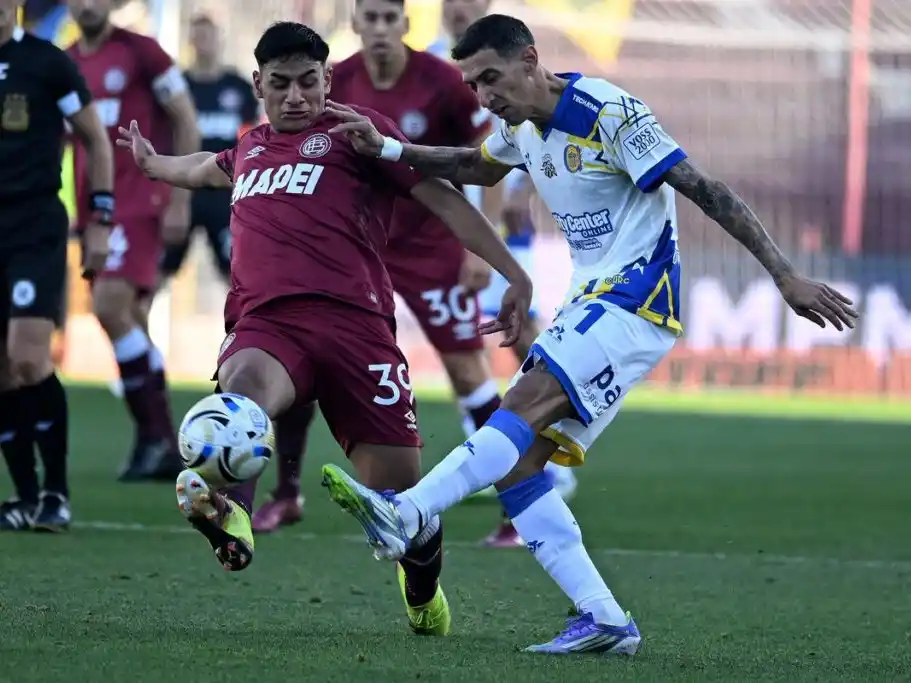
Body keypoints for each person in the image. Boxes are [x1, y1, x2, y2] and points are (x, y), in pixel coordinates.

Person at [319, 14, 859, 654]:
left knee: (514, 411)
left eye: (491, 77)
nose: (484, 94)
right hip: (594, 299)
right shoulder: (520, 126)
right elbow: (475, 165)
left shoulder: (608, 112)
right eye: (473, 84)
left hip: (637, 298)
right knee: (519, 464)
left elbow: (705, 190)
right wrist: (388, 151)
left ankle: (408, 512)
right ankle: (605, 620)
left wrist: (785, 276)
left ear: (529, 61)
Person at [116, 21, 532, 635]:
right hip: (269, 323)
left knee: (402, 495)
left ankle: (423, 595)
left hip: (357, 328)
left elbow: (443, 200)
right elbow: (209, 166)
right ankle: (231, 514)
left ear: (327, 79)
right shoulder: (252, 147)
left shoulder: (357, 136)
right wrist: (156, 166)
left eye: (307, 83)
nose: (294, 97)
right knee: (242, 390)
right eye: (279, 85)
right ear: (257, 83)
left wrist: (511, 272)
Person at [251, 0, 503, 537]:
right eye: (372, 17)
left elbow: (486, 159)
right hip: (355, 248)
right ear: (357, 25)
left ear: (406, 24)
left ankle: (518, 506)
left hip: (432, 245)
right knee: (299, 357)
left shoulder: (440, 80)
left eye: (392, 17)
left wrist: (482, 245)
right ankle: (286, 493)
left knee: (466, 371)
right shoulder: (330, 80)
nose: (382, 28)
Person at [429, 0, 578, 547]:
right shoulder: (433, 65)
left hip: (494, 235)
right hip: (447, 232)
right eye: (450, 3)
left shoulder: (513, 63)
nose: (459, 9)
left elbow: (530, 139)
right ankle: (504, 456)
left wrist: (524, 190)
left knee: (520, 333)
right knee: (459, 353)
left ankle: (548, 453)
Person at [67, 0, 200, 482]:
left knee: (108, 306)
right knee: (132, 320)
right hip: (97, 211)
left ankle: (155, 436)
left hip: (141, 203)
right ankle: (164, 441)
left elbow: (185, 118)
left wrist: (181, 197)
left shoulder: (144, 53)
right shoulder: (68, 62)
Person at [0, 2, 114, 531]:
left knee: (27, 357)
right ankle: (24, 498)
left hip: (34, 226)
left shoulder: (46, 63)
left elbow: (95, 137)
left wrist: (101, 217)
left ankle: (57, 491)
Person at [159, 13, 259, 283]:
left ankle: (245, 326)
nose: (203, 41)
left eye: (208, 34)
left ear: (220, 38)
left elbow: (252, 141)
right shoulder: (178, 87)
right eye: (197, 34)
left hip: (224, 195)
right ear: (190, 40)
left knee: (240, 278)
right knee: (153, 276)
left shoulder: (239, 88)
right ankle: (135, 326)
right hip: (184, 192)